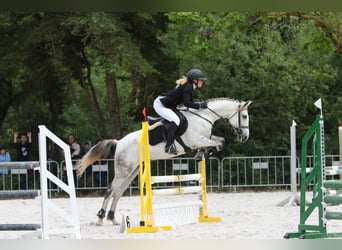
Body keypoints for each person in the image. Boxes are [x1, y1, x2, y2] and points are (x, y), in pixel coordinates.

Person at [153, 68, 208, 154]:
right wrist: (200, 105)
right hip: (160, 105)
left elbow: (189, 102)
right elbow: (186, 103)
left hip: (168, 105)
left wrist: (199, 105)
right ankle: (169, 146)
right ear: (195, 80)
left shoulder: (190, 86)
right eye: (201, 80)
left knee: (178, 119)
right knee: (176, 120)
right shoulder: (188, 87)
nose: (202, 82)